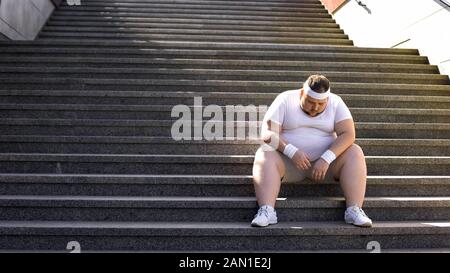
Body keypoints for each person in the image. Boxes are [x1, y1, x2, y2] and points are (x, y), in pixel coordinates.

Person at [251, 74, 373, 228]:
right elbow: (268, 133)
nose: (315, 107)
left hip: (325, 168)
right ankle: (266, 210)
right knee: (264, 152)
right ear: (302, 93)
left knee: (355, 151)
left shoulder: (336, 102)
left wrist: (326, 158)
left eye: (321, 104)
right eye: (310, 102)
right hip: (288, 165)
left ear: (327, 100)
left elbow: (348, 134)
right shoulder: (285, 99)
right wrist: (291, 151)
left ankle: (354, 209)